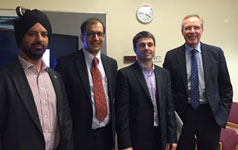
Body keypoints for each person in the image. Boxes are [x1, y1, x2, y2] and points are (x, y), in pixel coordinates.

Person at [0, 8, 73, 150]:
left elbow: (66, 122)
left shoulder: (56, 77)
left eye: (44, 34)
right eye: (32, 34)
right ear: (21, 37)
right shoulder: (4, 78)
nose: (39, 39)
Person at [163, 14, 233, 150]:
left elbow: (226, 87)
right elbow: (167, 90)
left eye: (196, 27)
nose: (192, 31)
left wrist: (222, 114)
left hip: (210, 114)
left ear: (202, 30)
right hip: (183, 114)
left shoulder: (216, 53)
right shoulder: (171, 56)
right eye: (188, 28)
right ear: (182, 31)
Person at [54, 18, 117, 150]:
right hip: (79, 137)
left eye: (100, 34)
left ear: (104, 37)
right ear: (82, 37)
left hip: (106, 135)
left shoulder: (111, 64)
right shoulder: (65, 63)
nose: (96, 38)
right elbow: (60, 104)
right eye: (90, 34)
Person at [115, 31, 177, 150]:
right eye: (142, 45)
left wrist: (172, 137)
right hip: (137, 137)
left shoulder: (164, 74)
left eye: (150, 44)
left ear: (154, 47)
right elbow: (121, 113)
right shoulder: (125, 75)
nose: (147, 48)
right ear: (135, 49)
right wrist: (125, 144)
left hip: (161, 135)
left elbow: (169, 108)